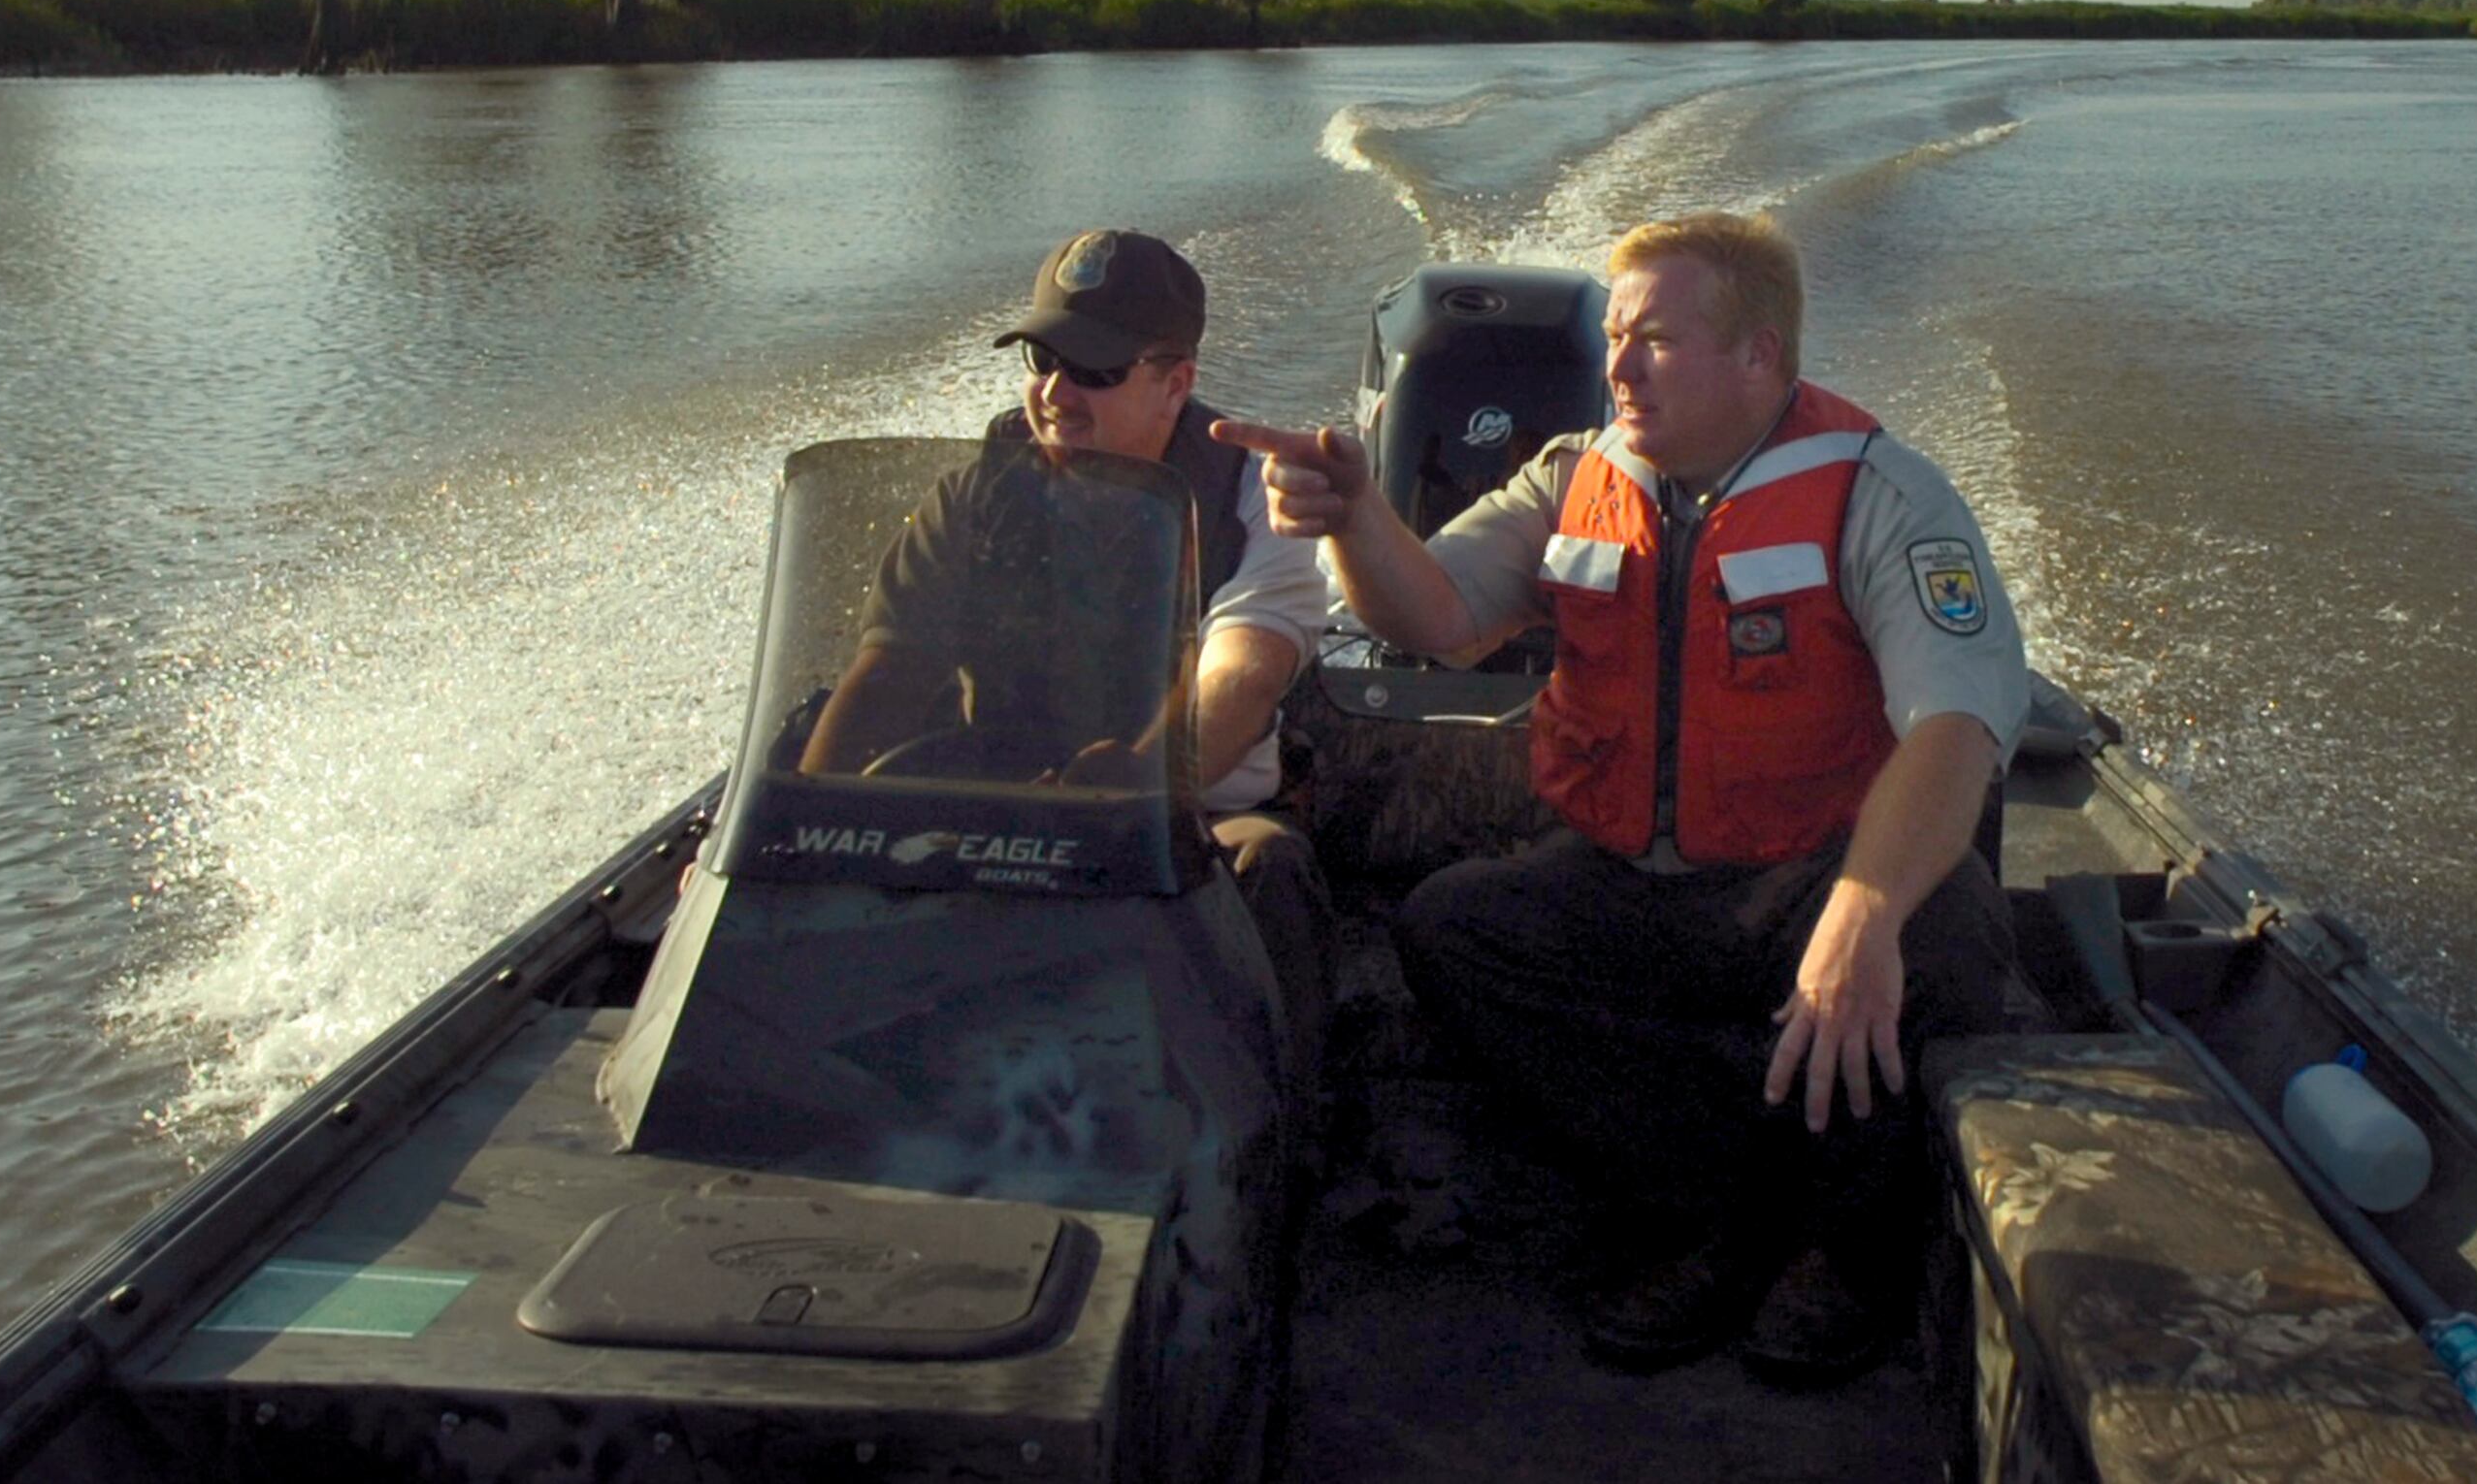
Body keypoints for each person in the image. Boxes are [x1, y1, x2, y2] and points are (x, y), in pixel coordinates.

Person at [1215, 210, 2026, 1384]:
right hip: (1624, 878)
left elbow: (1957, 726)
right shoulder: (1575, 474)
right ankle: (1712, 1212)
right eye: (1615, 336)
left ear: (1758, 354)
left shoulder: (1883, 496)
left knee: (1947, 934)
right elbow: (1435, 613)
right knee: (1456, 927)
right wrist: (1353, 521)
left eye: (1655, 339)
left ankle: (1848, 1250)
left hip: (1804, 875)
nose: (1618, 365)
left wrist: (1862, 911)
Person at [807, 231, 1338, 1104]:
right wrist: (800, 832)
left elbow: (1240, 674)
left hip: (1186, 827)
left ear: (1177, 381)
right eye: (1042, 358)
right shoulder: (976, 492)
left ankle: (1282, 1119)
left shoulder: (1254, 496)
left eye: (1091, 369)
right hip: (998, 819)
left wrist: (1139, 780)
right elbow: (890, 670)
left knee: (1269, 870)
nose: (1054, 392)